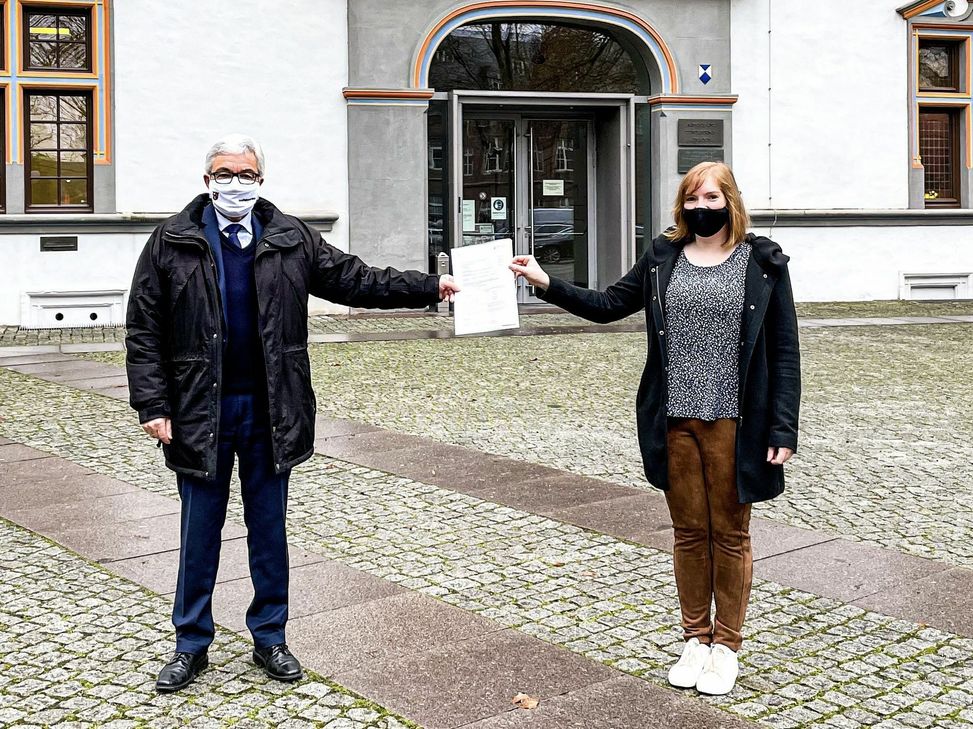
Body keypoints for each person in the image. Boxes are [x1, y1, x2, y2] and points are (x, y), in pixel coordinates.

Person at [125, 133, 460, 693]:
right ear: (207, 180)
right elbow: (144, 326)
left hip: (271, 409)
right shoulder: (172, 240)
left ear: (261, 180)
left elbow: (357, 280)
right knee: (199, 531)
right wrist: (153, 404)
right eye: (225, 173)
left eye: (246, 174)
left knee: (269, 529)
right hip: (199, 409)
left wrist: (429, 286)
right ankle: (190, 643)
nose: (236, 183)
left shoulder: (290, 237)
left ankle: (270, 637)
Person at [510, 161, 800, 695]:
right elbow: (607, 306)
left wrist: (783, 429)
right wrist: (545, 282)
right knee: (689, 533)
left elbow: (784, 350)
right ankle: (695, 638)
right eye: (692, 198)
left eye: (711, 198)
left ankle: (726, 646)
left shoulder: (762, 262)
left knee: (729, 534)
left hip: (736, 422)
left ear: (730, 201)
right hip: (674, 421)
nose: (701, 207)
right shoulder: (663, 257)